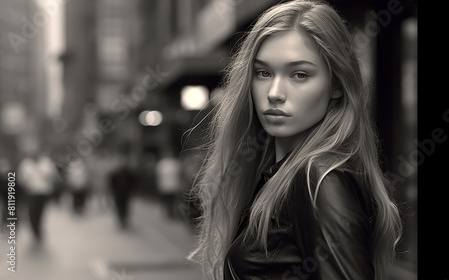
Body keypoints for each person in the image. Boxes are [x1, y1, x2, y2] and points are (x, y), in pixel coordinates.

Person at [186, 1, 403, 279]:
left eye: (299, 74)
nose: (274, 92)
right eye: (263, 73)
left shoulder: (322, 180)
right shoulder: (275, 177)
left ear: (336, 85)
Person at [17, 147, 58, 243]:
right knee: (32, 212)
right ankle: (35, 229)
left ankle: (38, 228)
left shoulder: (46, 163)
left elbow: (53, 176)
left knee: (40, 211)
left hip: (44, 192)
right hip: (31, 192)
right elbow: (21, 179)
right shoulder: (25, 164)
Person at [155, 149, 183, 220]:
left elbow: (180, 174)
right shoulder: (163, 163)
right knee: (168, 200)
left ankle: (170, 212)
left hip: (172, 185)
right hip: (167, 185)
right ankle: (169, 212)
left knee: (171, 200)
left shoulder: (174, 163)